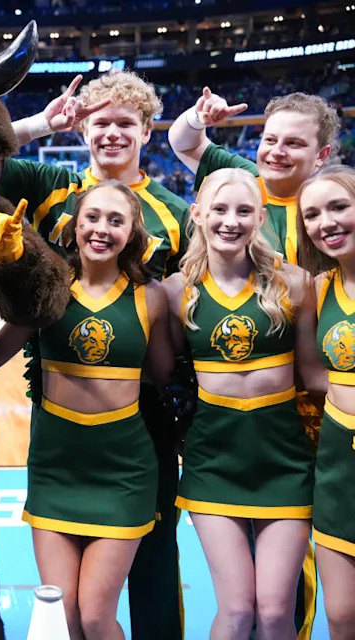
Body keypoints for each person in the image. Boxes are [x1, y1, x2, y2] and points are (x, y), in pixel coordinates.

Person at [0, 71, 189, 640]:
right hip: (56, 399)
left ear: (148, 131)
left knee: (150, 562)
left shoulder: (176, 211)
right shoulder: (50, 183)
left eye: (126, 123)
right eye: (100, 122)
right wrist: (34, 125)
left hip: (140, 412)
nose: (112, 134)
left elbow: (175, 330)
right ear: (82, 127)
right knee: (67, 605)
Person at [168, 88, 340, 639]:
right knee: (239, 609)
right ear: (199, 212)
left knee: (279, 607)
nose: (277, 151)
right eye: (270, 139)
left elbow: (315, 368)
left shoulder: (315, 243)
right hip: (216, 448)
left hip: (298, 441)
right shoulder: (178, 288)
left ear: (323, 154)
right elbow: (183, 139)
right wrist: (198, 116)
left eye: (295, 142)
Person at [297, 165, 355, 639]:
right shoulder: (319, 289)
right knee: (342, 614)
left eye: (339, 206)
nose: (325, 223)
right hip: (339, 460)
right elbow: (313, 371)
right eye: (312, 214)